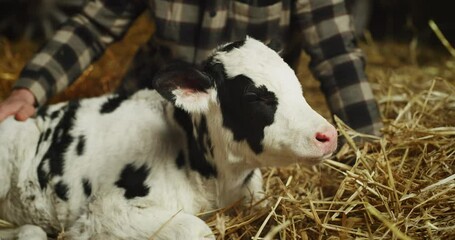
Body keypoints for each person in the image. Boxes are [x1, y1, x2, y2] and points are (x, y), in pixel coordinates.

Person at [0, 0, 382, 138]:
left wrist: (366, 153)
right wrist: (27, 90)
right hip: (153, 107)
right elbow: (92, 25)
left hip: (249, 127)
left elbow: (337, 56)